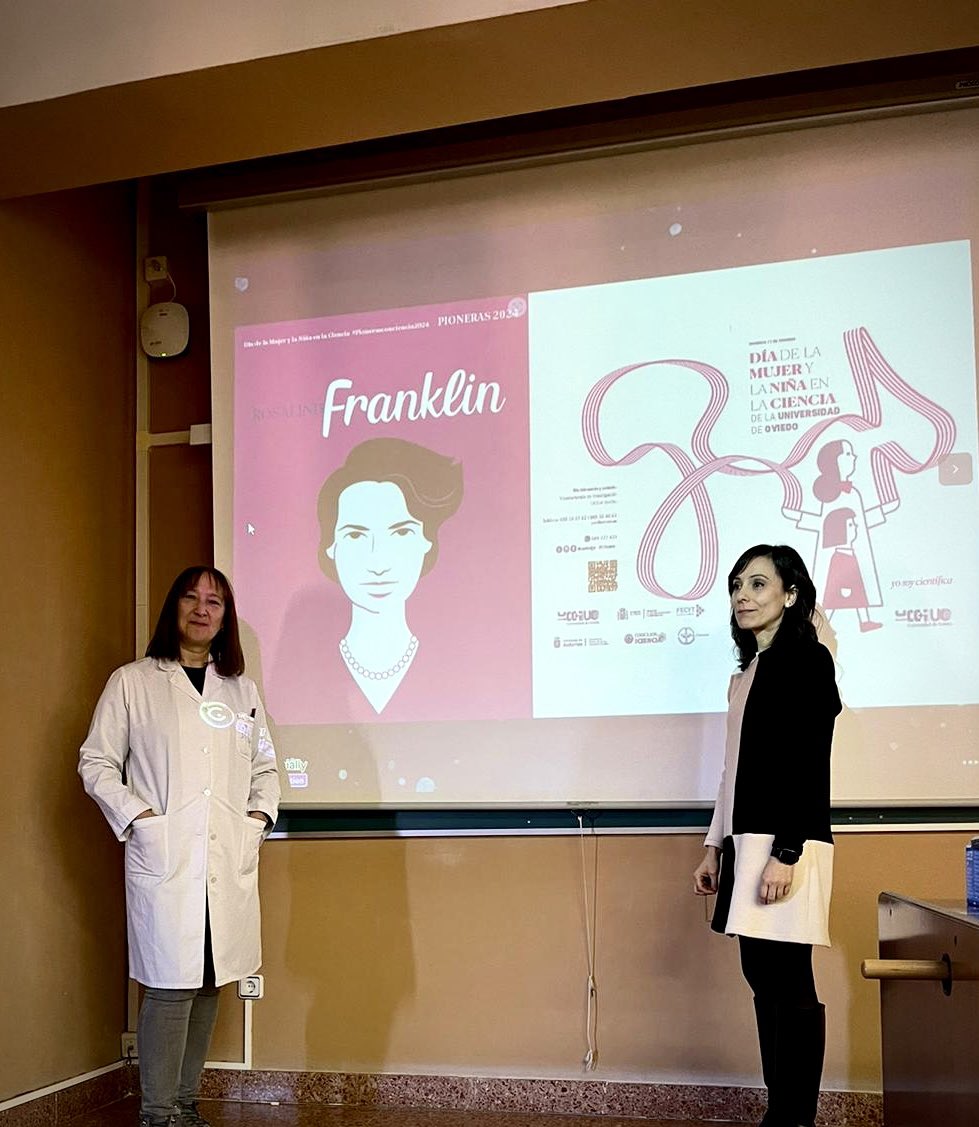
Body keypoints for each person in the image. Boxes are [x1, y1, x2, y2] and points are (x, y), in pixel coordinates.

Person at [79, 567, 280, 1127]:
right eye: (191, 597)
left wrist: (257, 818)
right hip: (167, 860)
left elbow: (265, 767)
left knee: (211, 981)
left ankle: (186, 1107)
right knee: (170, 988)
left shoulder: (240, 691)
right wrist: (140, 817)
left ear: (225, 617)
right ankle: (157, 1112)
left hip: (224, 861)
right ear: (174, 608)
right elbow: (95, 762)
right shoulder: (133, 683)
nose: (202, 608)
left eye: (214, 600)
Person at [693, 544, 841, 1127]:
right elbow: (733, 770)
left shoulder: (807, 660)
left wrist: (786, 851)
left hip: (786, 845)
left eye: (758, 584)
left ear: (791, 594)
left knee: (789, 981)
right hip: (744, 844)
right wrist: (713, 846)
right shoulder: (747, 674)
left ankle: (795, 1117)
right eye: (736, 586)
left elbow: (809, 761)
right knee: (762, 979)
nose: (743, 597)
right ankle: (778, 1110)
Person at [316, 437, 463, 715]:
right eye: (356, 535)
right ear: (331, 547)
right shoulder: (307, 668)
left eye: (401, 532)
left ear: (426, 541)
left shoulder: (459, 666)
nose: (378, 562)